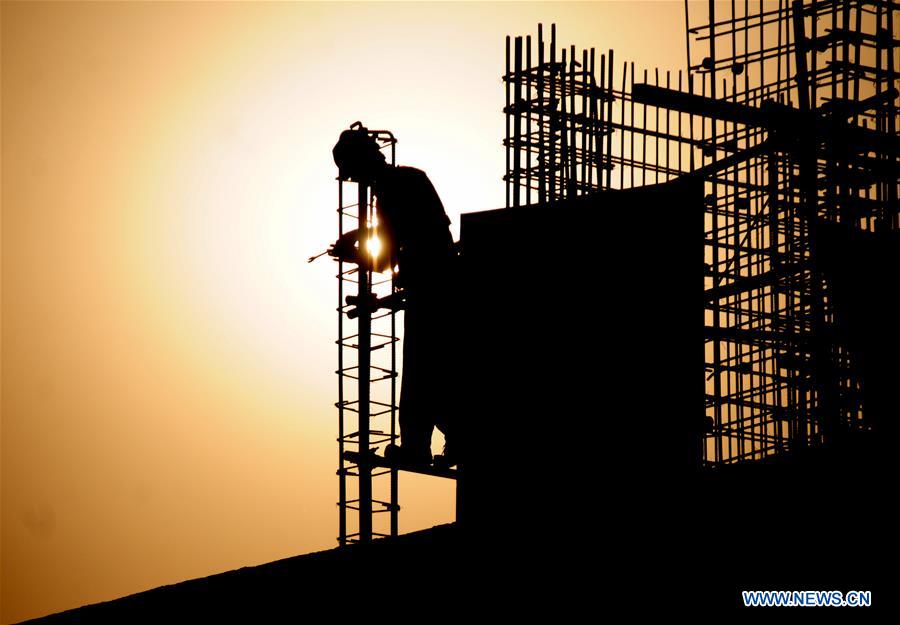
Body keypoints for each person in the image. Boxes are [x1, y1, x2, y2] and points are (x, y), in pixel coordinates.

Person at [332, 124, 458, 467]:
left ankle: (420, 444)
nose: (355, 182)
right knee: (434, 369)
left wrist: (353, 253)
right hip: (438, 283)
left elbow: (387, 254)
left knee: (422, 371)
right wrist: (359, 234)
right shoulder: (407, 181)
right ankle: (453, 437)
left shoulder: (391, 190)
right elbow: (401, 233)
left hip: (431, 287)